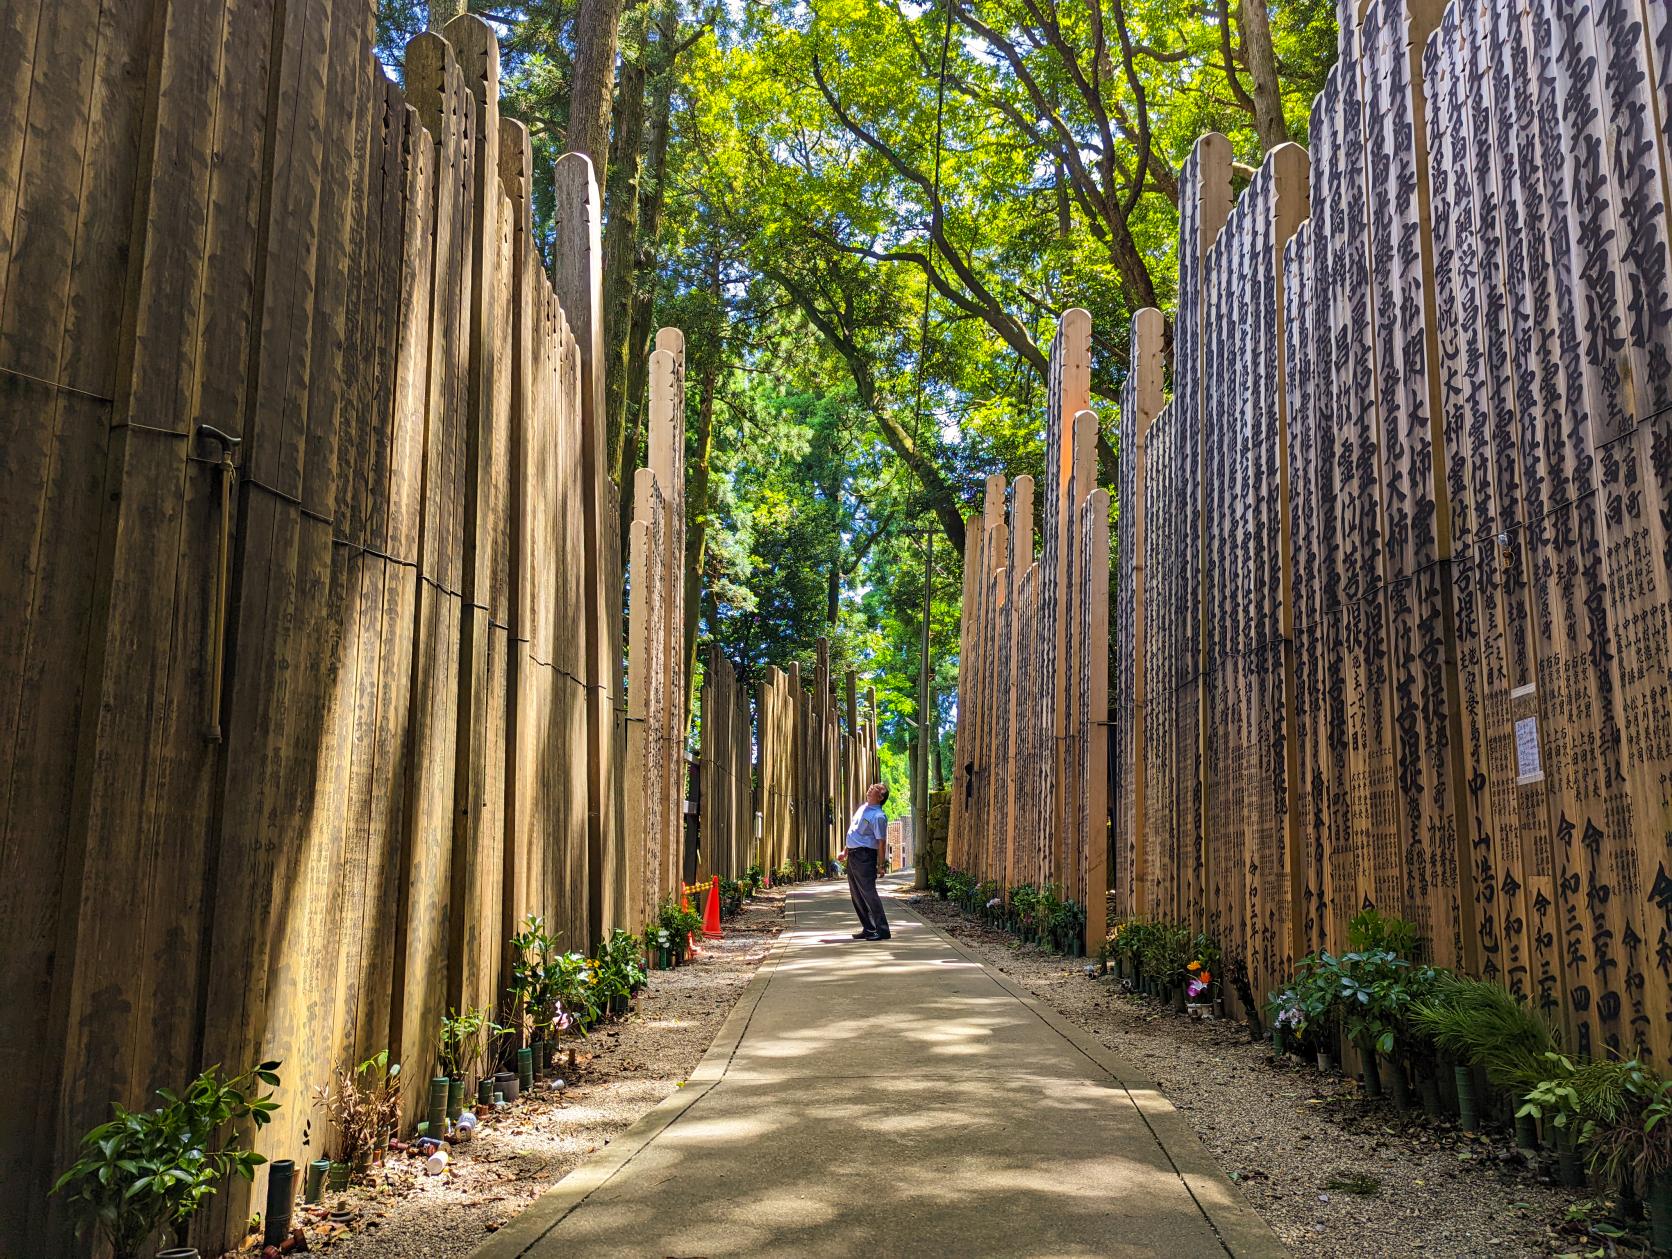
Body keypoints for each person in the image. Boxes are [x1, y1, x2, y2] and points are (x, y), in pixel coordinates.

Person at [840, 783, 891, 940]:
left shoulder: (878, 817)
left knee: (869, 893)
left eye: (875, 788)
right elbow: (853, 832)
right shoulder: (863, 808)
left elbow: (881, 842)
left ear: (881, 797)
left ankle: (882, 929)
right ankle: (868, 928)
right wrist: (845, 851)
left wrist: (881, 865)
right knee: (856, 893)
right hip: (853, 855)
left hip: (865, 856)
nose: (870, 787)